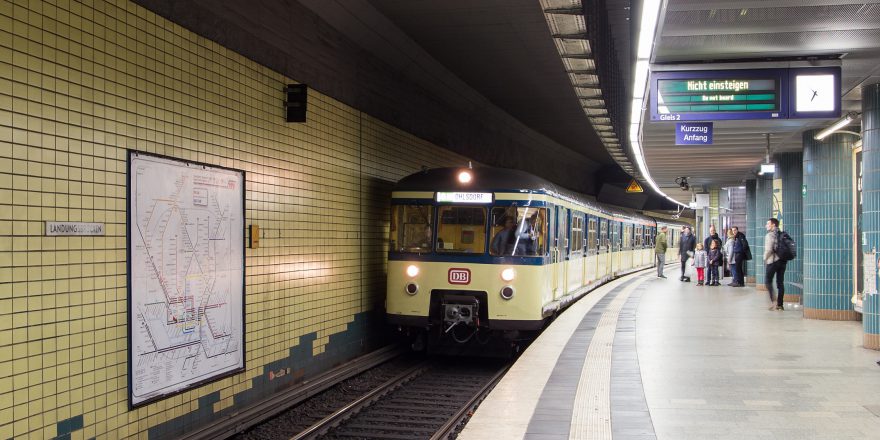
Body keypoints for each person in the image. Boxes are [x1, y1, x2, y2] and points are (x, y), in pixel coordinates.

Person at [764, 218, 787, 311]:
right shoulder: (781, 234)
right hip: (782, 261)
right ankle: (780, 304)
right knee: (780, 283)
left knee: (768, 281)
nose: (766, 225)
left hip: (772, 261)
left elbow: (769, 249)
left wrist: (765, 258)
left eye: (768, 223)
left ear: (773, 225)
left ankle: (773, 301)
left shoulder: (770, 235)